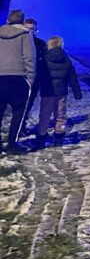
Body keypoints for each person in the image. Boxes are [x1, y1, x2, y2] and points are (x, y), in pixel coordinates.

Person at [0, 9, 36, 154]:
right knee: (18, 112)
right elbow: (29, 59)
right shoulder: (25, 35)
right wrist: (30, 80)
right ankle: (11, 145)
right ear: (22, 21)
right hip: (18, 77)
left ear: (9, 20)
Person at [36, 36, 82, 146]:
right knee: (60, 114)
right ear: (61, 45)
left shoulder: (44, 59)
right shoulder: (66, 60)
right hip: (61, 91)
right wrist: (77, 93)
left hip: (47, 91)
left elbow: (39, 75)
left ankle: (42, 133)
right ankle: (59, 133)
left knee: (45, 114)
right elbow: (72, 78)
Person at [23, 18, 51, 125]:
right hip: (19, 78)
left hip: (35, 79)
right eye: (28, 28)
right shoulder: (16, 43)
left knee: (28, 104)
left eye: (32, 29)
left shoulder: (41, 44)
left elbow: (45, 63)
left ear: (36, 30)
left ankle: (22, 126)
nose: (30, 31)